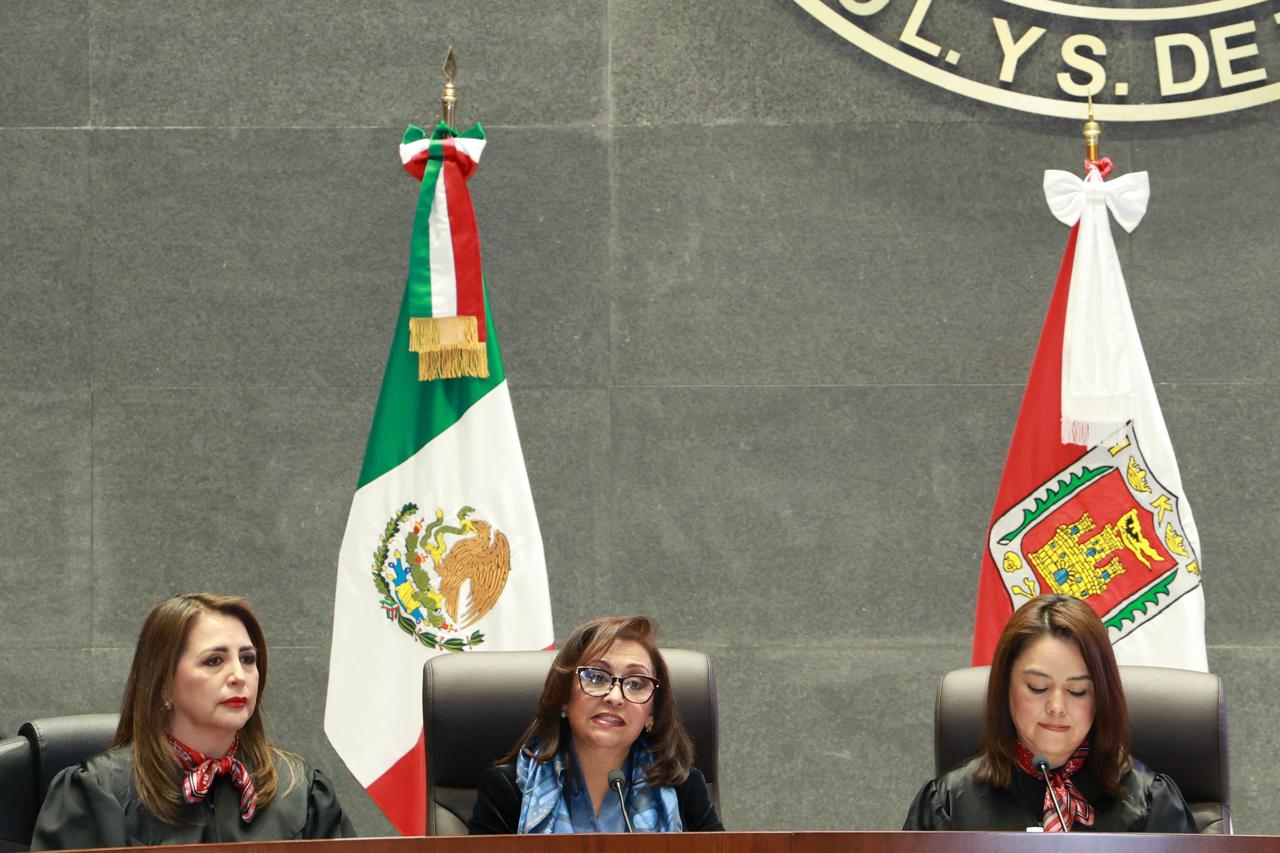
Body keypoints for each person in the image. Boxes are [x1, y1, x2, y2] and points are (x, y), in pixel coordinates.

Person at [31, 593, 354, 849]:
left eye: (247, 659)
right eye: (214, 661)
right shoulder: (95, 793)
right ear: (164, 684)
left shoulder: (301, 790)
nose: (239, 676)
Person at [904, 594, 1198, 833]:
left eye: (1077, 691)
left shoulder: (1151, 805)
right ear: (1004, 688)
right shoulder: (946, 806)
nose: (1057, 706)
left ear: (1101, 697)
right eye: (1037, 687)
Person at [468, 616, 723, 834]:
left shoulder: (683, 788)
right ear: (564, 698)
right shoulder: (509, 789)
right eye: (596, 677)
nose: (615, 697)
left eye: (636, 683)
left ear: (651, 714)